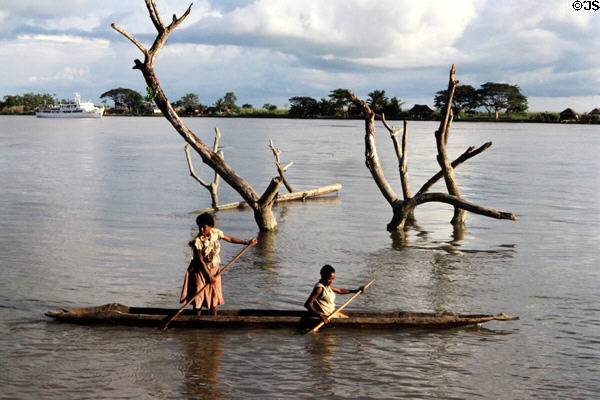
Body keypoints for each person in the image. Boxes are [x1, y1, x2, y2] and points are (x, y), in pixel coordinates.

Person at [180, 213, 257, 316]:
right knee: (198, 295)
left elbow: (229, 239)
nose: (201, 229)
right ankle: (196, 321)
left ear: (210, 226)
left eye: (204, 227)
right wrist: (208, 275)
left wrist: (246, 242)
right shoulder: (197, 241)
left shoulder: (215, 233)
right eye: (200, 227)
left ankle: (214, 319)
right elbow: (200, 260)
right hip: (200, 271)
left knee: (214, 295)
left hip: (214, 269)